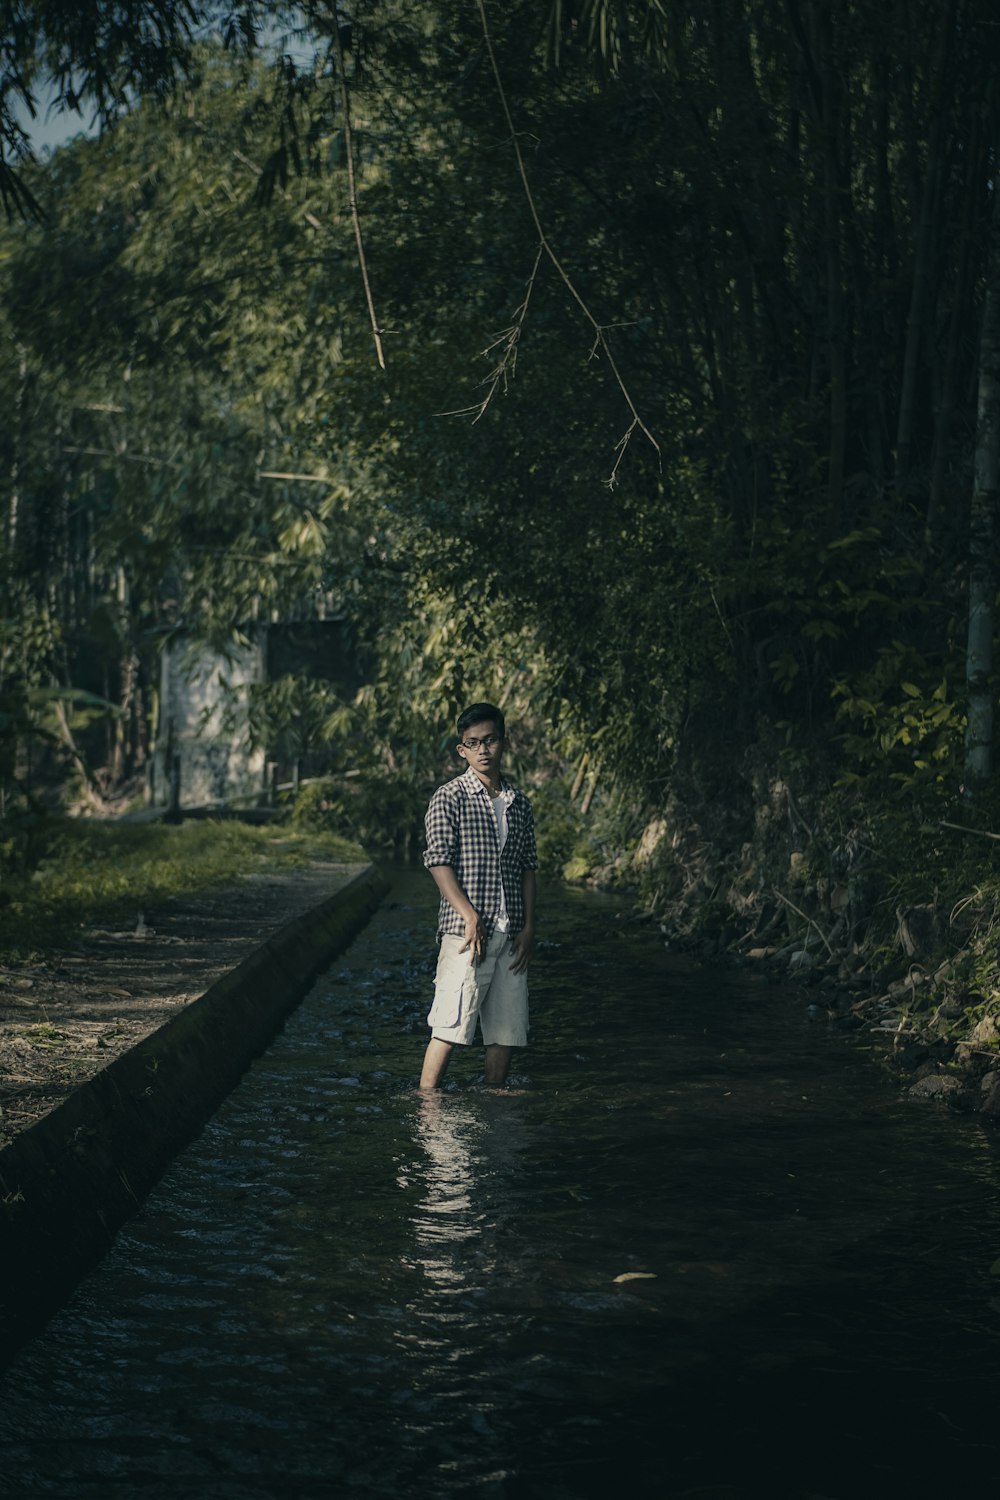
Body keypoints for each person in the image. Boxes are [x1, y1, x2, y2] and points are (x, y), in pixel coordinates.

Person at [419, 702, 537, 1089]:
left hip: (510, 932)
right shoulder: (449, 797)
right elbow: (438, 862)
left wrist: (529, 926)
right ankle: (428, 1107)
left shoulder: (520, 804)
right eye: (474, 743)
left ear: (503, 743)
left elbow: (527, 867)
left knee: (506, 1030)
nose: (483, 750)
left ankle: (494, 1103)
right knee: (449, 1024)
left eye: (490, 740)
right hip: (466, 933)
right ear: (462, 750)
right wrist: (469, 914)